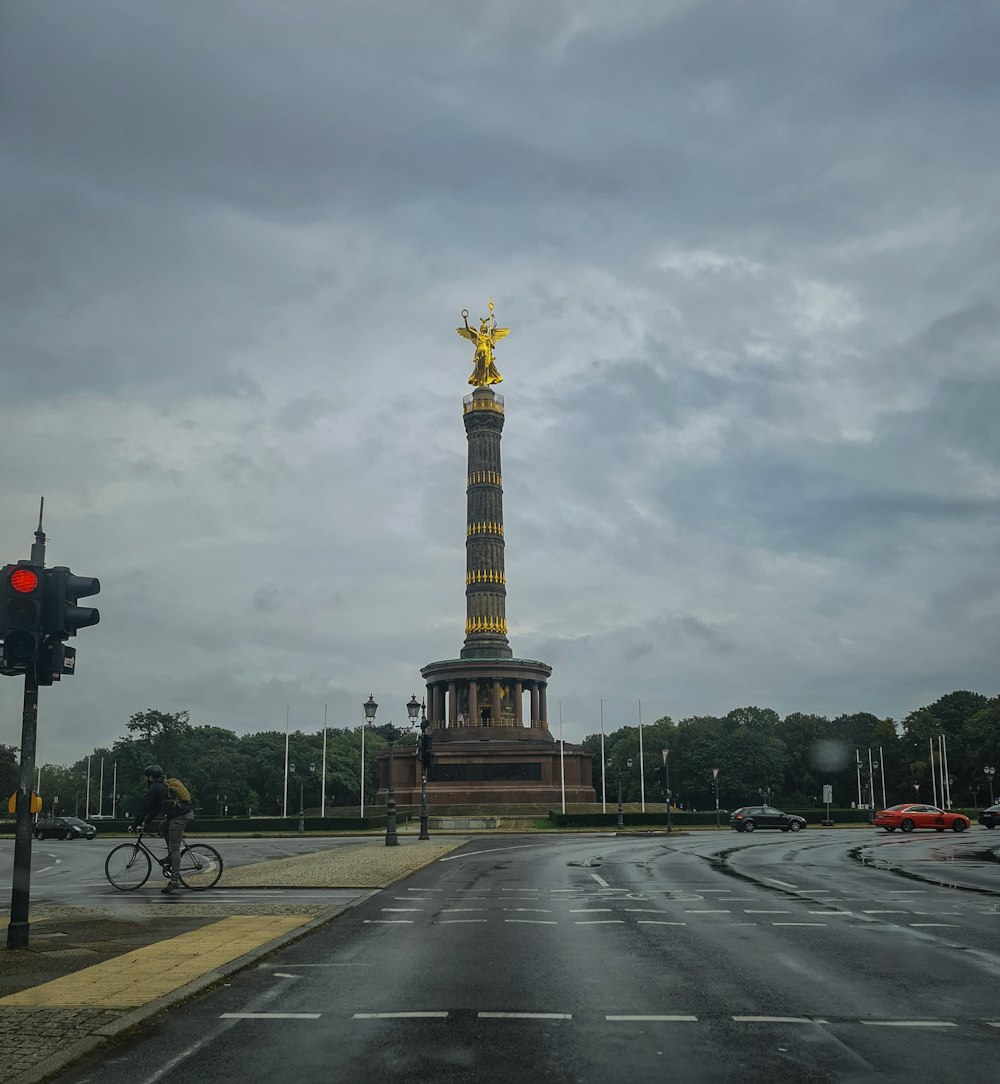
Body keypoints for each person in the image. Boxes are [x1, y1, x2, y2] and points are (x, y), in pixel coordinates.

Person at [130, 764, 192, 893]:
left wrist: (135, 824)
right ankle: (170, 856)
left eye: (148, 777)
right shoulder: (161, 785)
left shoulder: (155, 788)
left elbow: (145, 807)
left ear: (151, 777)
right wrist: (146, 821)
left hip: (179, 816)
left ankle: (174, 881)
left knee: (175, 849)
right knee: (163, 826)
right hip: (180, 814)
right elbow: (156, 807)